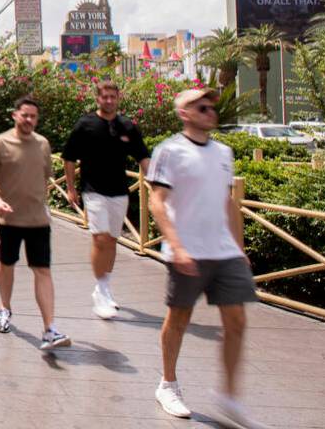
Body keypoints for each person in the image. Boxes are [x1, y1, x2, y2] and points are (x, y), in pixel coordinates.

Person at [149, 88, 261, 427]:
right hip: (187, 250)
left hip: (223, 251)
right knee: (179, 318)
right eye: (201, 106)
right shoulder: (169, 151)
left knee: (237, 322)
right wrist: (176, 246)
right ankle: (168, 384)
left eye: (211, 105)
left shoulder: (224, 152)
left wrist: (239, 249)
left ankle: (229, 397)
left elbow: (228, 203)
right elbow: (157, 201)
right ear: (184, 113)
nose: (210, 110)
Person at [0, 96, 71, 351]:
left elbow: (44, 179)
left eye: (33, 116)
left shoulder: (43, 144)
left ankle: (49, 329)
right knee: (7, 264)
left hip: (38, 220)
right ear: (15, 115)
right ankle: (4, 308)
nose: (29, 120)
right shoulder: (0, 143)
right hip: (8, 218)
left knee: (43, 270)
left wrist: (45, 207)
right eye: (25, 115)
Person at [62, 80, 151, 319]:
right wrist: (71, 188)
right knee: (100, 239)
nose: (109, 100)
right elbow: (69, 157)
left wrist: (157, 183)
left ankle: (105, 286)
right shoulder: (86, 124)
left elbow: (143, 156)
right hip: (93, 190)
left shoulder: (127, 126)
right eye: (105, 97)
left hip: (120, 191)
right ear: (97, 98)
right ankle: (100, 291)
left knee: (112, 241)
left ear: (118, 98)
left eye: (113, 96)